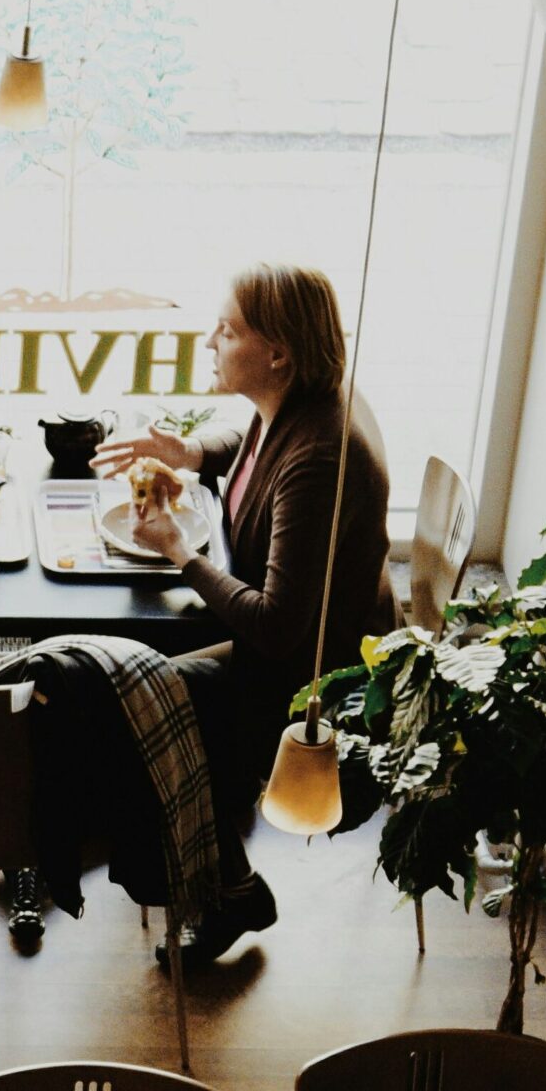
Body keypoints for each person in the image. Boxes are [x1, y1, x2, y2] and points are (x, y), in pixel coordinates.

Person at [92, 260, 395, 958]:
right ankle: (201, 856)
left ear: (278, 353)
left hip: (311, 683)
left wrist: (177, 552)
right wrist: (193, 451)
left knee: (129, 710)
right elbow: (254, 443)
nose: (210, 341)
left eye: (226, 331)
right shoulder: (303, 404)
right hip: (292, 649)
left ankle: (226, 889)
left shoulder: (320, 456)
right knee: (130, 681)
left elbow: (276, 626)